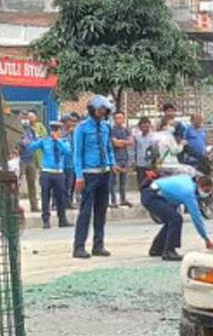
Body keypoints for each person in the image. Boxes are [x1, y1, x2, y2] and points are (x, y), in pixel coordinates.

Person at [72, 95, 116, 259]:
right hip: (89, 174)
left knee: (101, 211)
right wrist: (78, 176)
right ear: (92, 110)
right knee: (85, 212)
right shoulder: (81, 128)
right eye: (100, 109)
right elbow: (77, 153)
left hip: (104, 173)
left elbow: (109, 147)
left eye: (104, 110)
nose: (102, 112)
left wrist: (112, 164)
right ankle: (79, 247)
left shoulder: (106, 127)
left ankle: (98, 245)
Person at [142, 170, 213, 260]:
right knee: (176, 219)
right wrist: (206, 239)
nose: (207, 194)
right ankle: (169, 251)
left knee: (171, 219)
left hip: (154, 192)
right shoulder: (189, 193)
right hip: (152, 196)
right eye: (206, 191)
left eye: (209, 192)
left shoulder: (187, 180)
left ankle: (157, 248)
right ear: (199, 186)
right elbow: (197, 219)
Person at [27, 120, 72, 228]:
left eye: (57, 130)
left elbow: (68, 151)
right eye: (53, 130)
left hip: (59, 173)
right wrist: (35, 138)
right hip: (47, 172)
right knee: (45, 196)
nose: (55, 132)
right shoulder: (45, 141)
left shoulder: (64, 142)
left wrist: (58, 140)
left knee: (60, 197)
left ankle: (62, 219)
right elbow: (31, 147)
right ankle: (46, 220)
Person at [18, 111, 43, 213]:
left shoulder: (31, 130)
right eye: (23, 118)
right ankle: (15, 206)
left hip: (31, 159)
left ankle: (34, 206)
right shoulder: (16, 129)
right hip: (20, 159)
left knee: (32, 184)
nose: (25, 120)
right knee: (16, 184)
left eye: (26, 118)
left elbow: (36, 141)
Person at [110, 110, 134, 207]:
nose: (118, 120)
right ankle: (113, 200)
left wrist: (121, 142)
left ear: (124, 119)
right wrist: (125, 142)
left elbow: (131, 142)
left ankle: (123, 199)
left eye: (120, 118)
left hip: (125, 157)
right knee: (113, 181)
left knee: (124, 181)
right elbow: (115, 143)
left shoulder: (126, 130)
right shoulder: (112, 130)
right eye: (116, 118)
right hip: (115, 158)